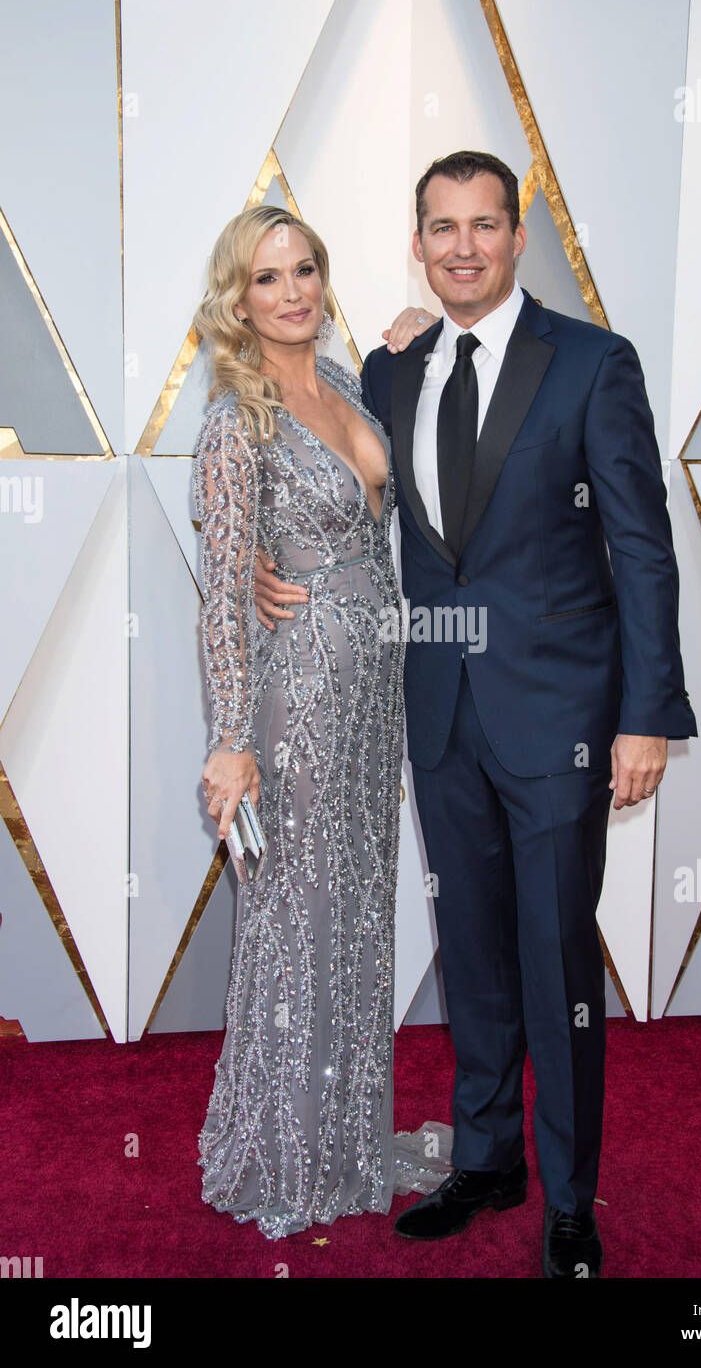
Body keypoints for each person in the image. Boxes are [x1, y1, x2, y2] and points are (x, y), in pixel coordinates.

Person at [252, 150, 697, 1276]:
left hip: (563, 718)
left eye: (483, 226)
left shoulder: (593, 364)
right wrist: (265, 558)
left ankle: (567, 1200)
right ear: (416, 241)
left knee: (556, 965)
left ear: (516, 237)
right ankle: (488, 1157)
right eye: (440, 227)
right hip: (438, 704)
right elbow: (337, 492)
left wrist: (646, 714)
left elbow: (641, 548)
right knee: (476, 959)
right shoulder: (392, 369)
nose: (461, 246)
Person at [193, 204, 441, 1239]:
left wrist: (420, 337)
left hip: (372, 691)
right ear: (235, 301)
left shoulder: (344, 383)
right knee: (297, 919)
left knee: (353, 912)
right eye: (266, 278)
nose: (292, 291)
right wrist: (230, 740)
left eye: (305, 269)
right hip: (296, 703)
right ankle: (288, 1148)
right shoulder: (231, 424)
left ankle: (345, 1134)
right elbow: (220, 594)